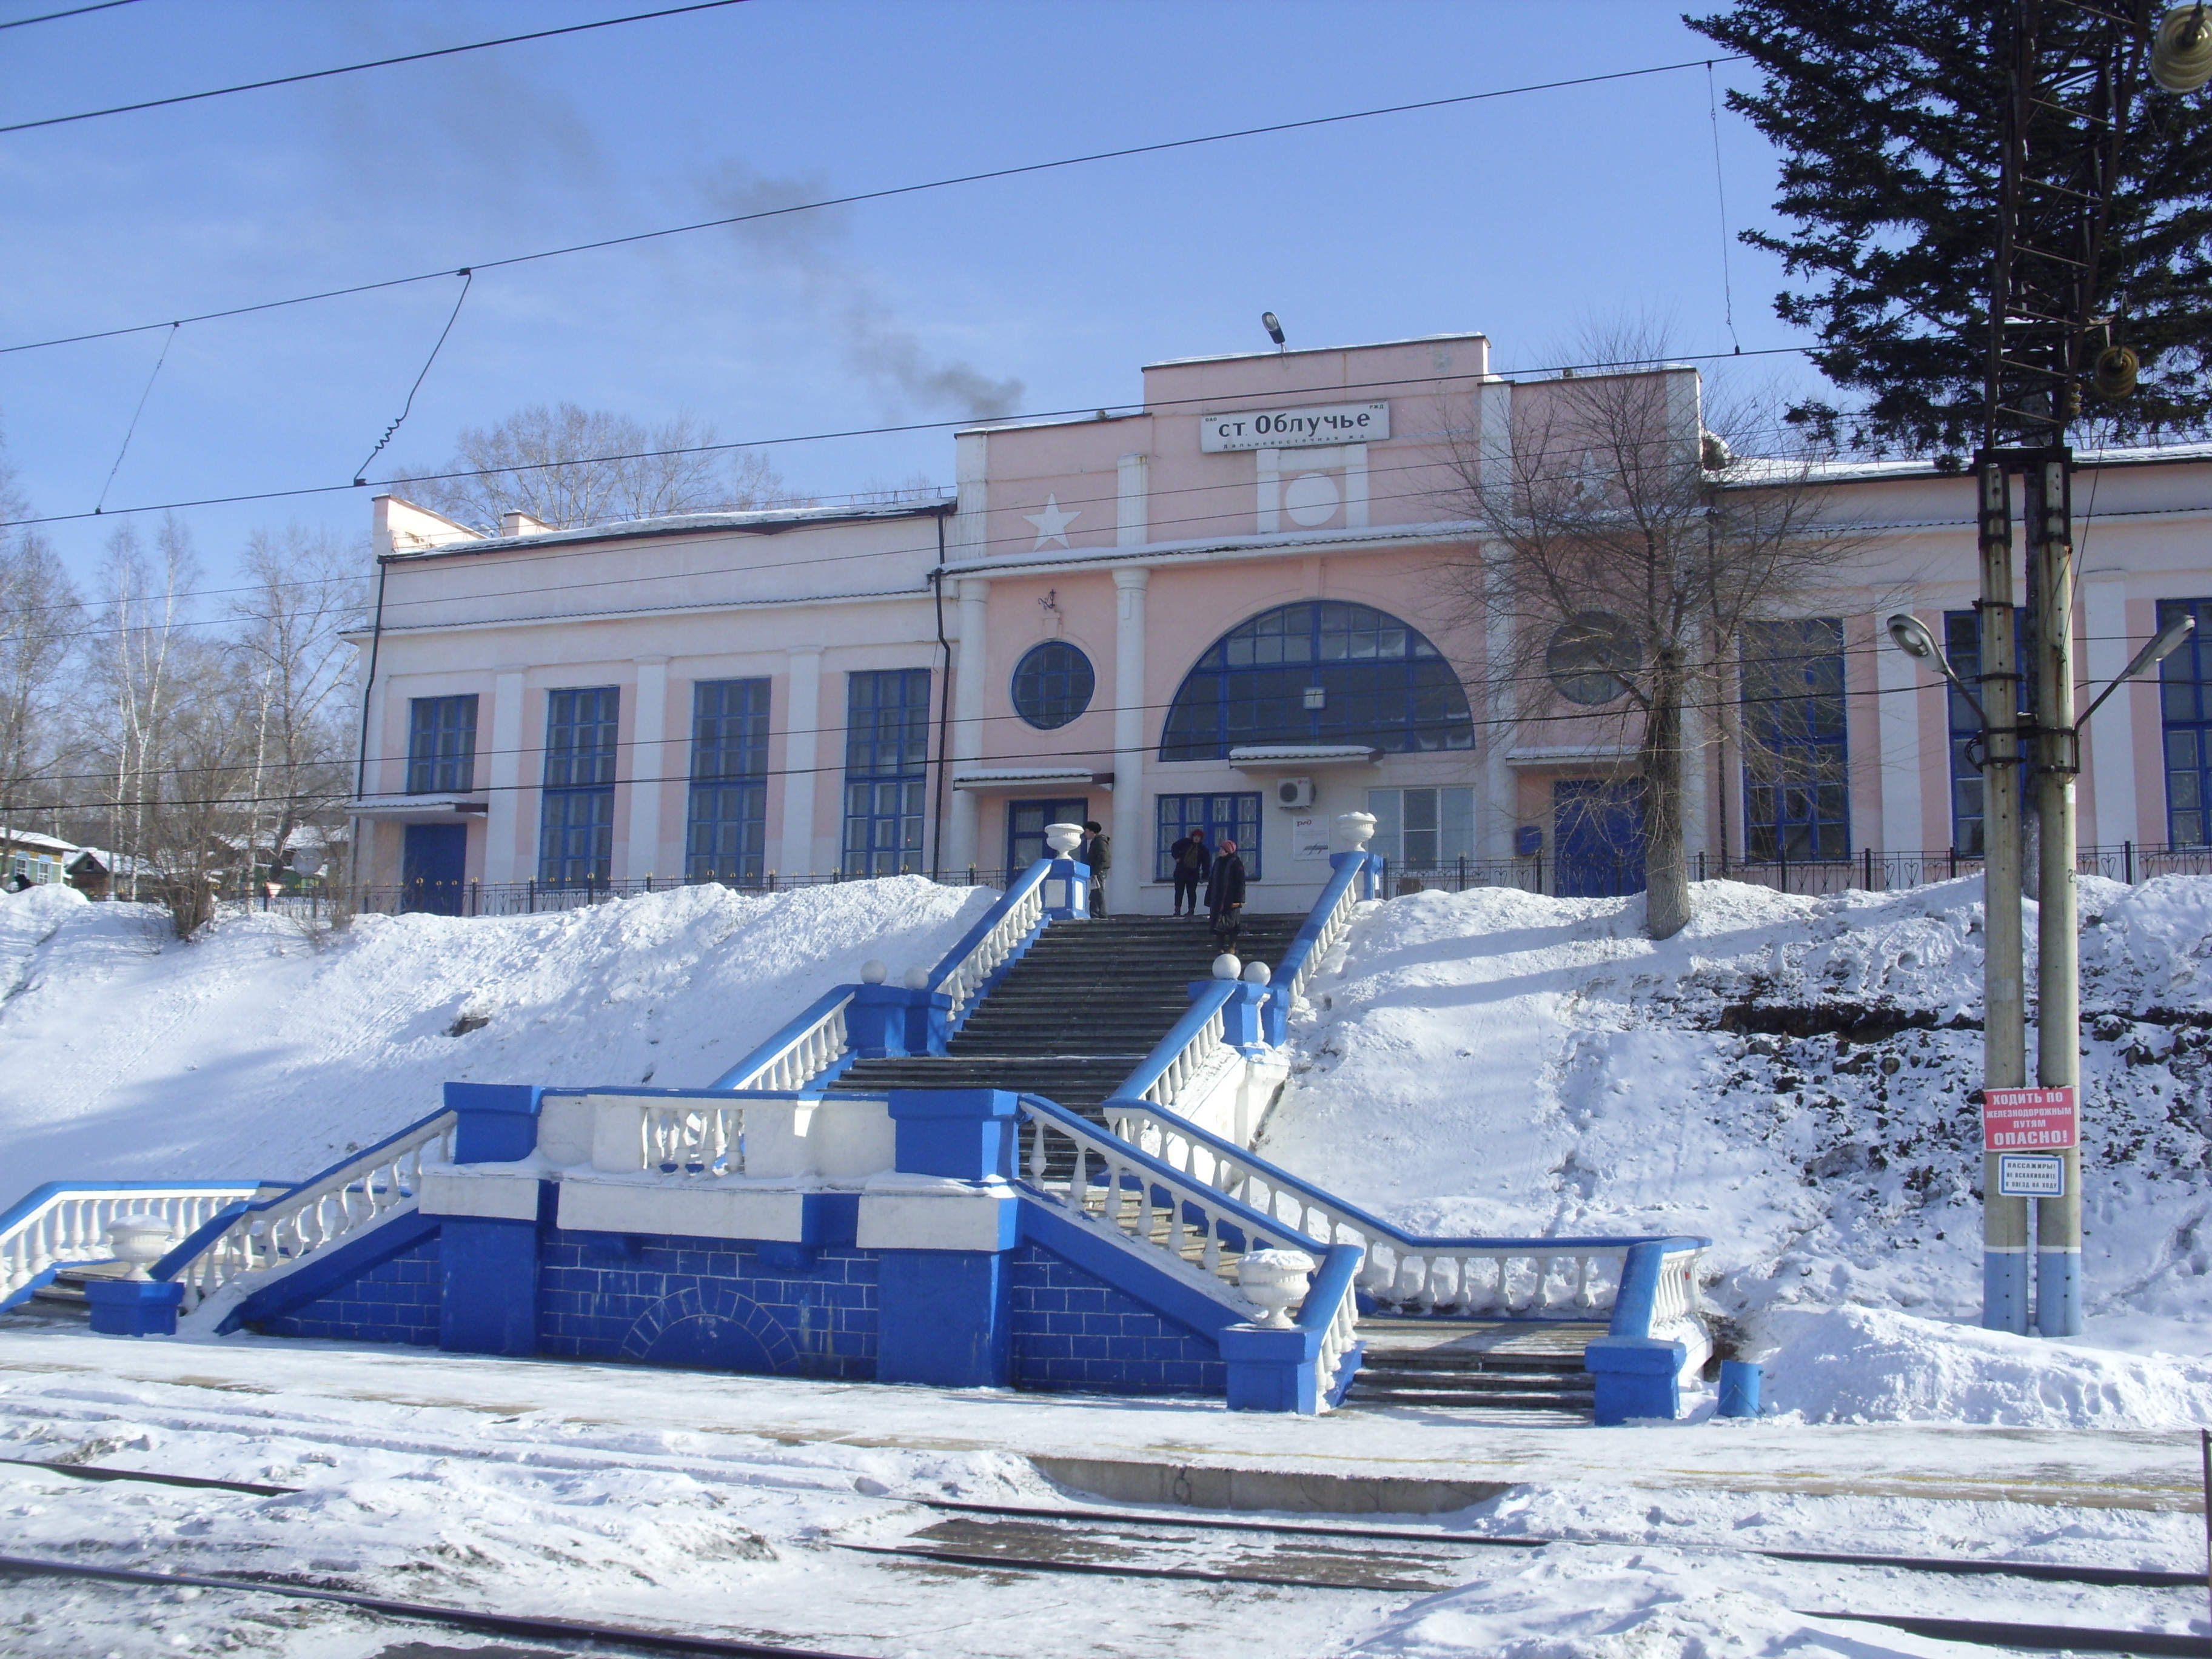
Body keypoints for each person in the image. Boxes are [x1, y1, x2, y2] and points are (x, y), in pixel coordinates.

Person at [1205, 837, 1247, 948]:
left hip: (1231, 900)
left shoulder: (1236, 863)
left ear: (1228, 851)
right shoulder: (1218, 863)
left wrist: (1239, 900)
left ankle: (1232, 948)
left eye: (1222, 849)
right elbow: (1212, 880)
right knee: (1218, 925)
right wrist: (1209, 898)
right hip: (1218, 900)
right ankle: (1220, 948)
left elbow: (1241, 882)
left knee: (1232, 924)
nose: (1220, 851)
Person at [1168, 825, 1212, 916]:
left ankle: (1191, 910)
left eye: (1198, 837)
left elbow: (1206, 864)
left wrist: (1204, 876)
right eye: (1195, 836)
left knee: (1191, 893)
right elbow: (1174, 847)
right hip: (1180, 872)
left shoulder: (1203, 850)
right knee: (1179, 892)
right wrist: (1176, 857)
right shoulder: (1185, 843)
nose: (1196, 839)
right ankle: (1177, 910)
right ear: (1192, 836)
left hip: (1193, 874)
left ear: (1201, 839)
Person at [1081, 819, 1111, 917]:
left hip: (1099, 872)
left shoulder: (1100, 841)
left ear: (1092, 831)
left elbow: (1103, 857)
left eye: (1086, 831)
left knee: (1098, 894)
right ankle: (1095, 915)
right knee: (1094, 895)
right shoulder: (1096, 841)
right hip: (1096, 872)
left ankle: (1102, 915)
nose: (1085, 834)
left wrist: (1097, 872)